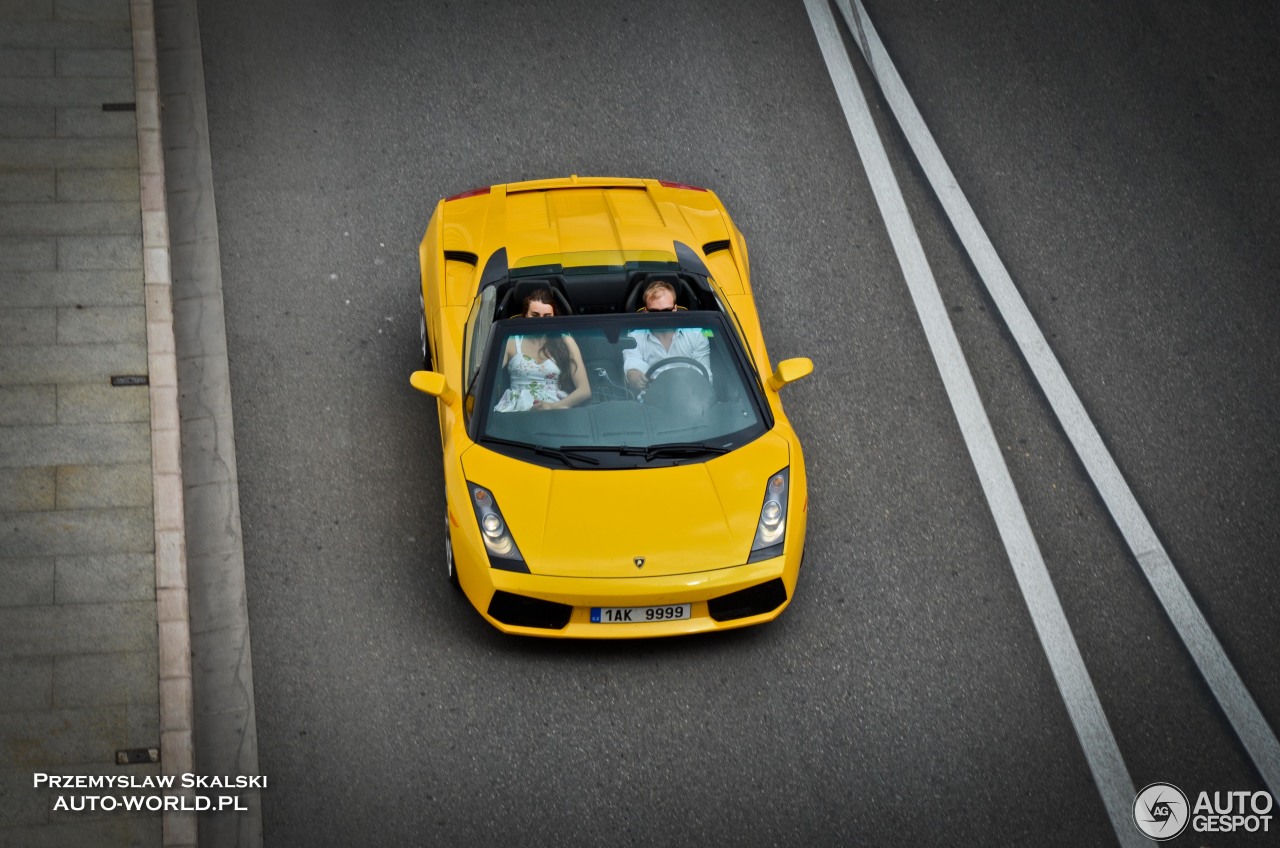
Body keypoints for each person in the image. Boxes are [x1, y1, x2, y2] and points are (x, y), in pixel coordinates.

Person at [493, 289, 591, 412]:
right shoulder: (511, 341)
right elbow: (489, 378)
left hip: (556, 410)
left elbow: (584, 390)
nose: (541, 320)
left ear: (554, 317)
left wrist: (553, 407)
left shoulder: (565, 340)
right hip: (517, 411)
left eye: (547, 316)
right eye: (535, 315)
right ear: (525, 315)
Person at [623, 279, 712, 391]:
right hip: (651, 400)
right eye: (654, 312)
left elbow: (704, 376)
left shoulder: (696, 334)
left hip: (691, 399)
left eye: (666, 311)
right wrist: (634, 376)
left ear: (675, 309)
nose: (661, 317)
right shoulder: (634, 338)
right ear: (646, 311)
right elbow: (633, 367)